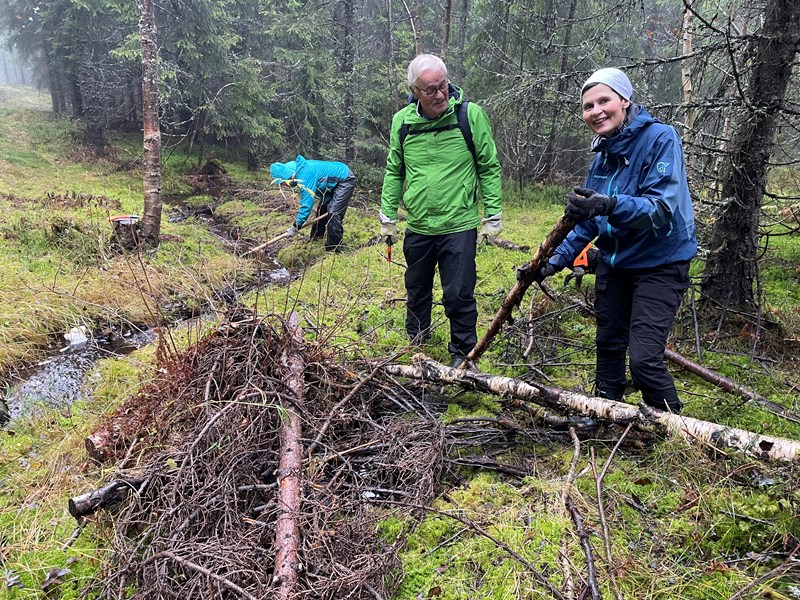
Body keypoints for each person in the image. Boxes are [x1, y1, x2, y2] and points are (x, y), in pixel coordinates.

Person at [525, 67, 697, 413]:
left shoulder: (660, 139)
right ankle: (606, 413)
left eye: (604, 101)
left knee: (645, 358)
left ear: (624, 100)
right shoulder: (602, 157)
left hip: (660, 263)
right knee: (608, 344)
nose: (596, 111)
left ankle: (673, 429)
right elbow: (587, 226)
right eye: (588, 106)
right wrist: (549, 264)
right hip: (615, 264)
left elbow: (660, 209)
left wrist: (608, 204)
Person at [380, 54, 503, 368]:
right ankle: (417, 340)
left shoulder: (469, 115)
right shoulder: (403, 122)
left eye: (443, 86)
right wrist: (388, 216)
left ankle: (463, 356)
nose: (439, 95)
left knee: (459, 293)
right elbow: (395, 170)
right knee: (416, 288)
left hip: (457, 224)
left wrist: (493, 215)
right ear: (415, 91)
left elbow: (488, 166)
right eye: (430, 90)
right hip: (419, 225)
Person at [269, 155, 357, 251]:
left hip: (345, 178)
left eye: (283, 183)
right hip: (331, 182)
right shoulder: (297, 170)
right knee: (322, 208)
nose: (285, 185)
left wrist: (296, 226)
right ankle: (316, 238)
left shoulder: (304, 174)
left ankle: (334, 249)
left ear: (286, 177)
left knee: (333, 213)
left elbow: (307, 205)